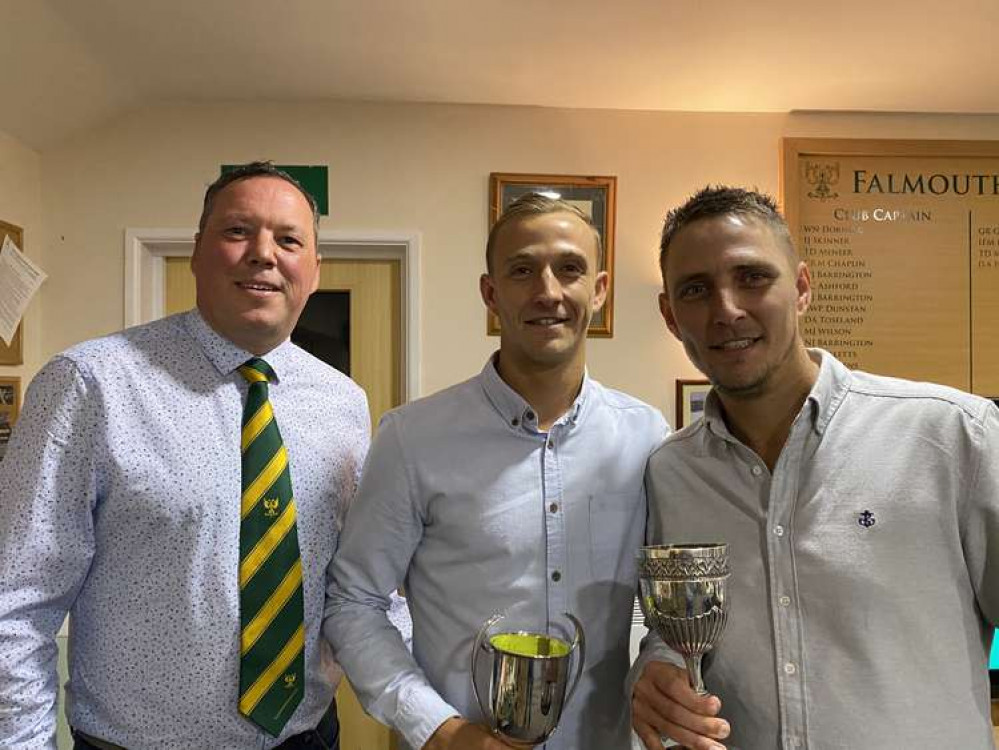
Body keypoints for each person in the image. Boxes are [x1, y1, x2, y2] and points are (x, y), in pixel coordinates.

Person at [0, 162, 369, 749]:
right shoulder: (89, 384)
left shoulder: (345, 403)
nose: (263, 254)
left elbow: (355, 582)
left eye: (289, 239)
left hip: (307, 738)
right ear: (197, 252)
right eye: (237, 231)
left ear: (315, 270)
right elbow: (16, 602)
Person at [630, 186, 999, 750]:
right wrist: (654, 668)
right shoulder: (670, 472)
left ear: (801, 288)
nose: (726, 309)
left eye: (752, 277)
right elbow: (673, 628)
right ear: (670, 315)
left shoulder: (951, 436)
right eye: (696, 290)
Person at [324, 193, 668, 750]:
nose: (548, 291)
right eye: (522, 270)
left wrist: (662, 665)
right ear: (491, 293)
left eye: (570, 269)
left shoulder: (646, 437)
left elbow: (665, 609)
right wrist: (438, 729)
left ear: (600, 291)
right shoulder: (413, 439)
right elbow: (352, 601)